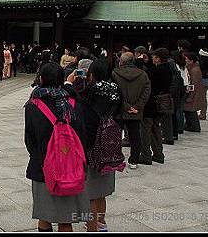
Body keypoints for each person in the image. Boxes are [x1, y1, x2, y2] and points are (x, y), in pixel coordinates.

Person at [24, 63, 89, 232]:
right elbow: (82, 135)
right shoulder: (74, 103)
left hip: (43, 166)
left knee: (44, 216)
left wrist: (41, 155)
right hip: (70, 168)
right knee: (65, 220)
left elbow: (29, 139)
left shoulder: (33, 105)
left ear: (42, 79)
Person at [66, 59, 122, 232]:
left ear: (92, 72)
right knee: (102, 189)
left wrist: (69, 82)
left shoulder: (91, 89)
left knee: (90, 193)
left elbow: (79, 107)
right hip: (110, 142)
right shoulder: (115, 88)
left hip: (92, 144)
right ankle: (101, 223)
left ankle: (92, 228)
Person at [111, 52, 151, 169]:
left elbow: (114, 92)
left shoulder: (115, 73)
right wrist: (137, 106)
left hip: (119, 109)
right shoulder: (143, 74)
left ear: (121, 61)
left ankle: (116, 158)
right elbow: (146, 91)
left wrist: (126, 106)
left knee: (116, 135)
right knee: (135, 135)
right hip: (135, 111)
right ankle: (134, 160)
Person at [139, 48, 170, 163]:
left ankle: (146, 155)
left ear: (158, 58)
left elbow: (147, 75)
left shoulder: (157, 71)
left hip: (151, 103)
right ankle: (158, 154)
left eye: (154, 57)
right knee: (156, 128)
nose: (152, 58)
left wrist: (142, 62)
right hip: (161, 103)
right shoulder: (168, 68)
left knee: (145, 130)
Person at [183, 51, 202, 132]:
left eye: (186, 59)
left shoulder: (195, 70)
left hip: (193, 94)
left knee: (191, 110)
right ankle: (190, 125)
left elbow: (193, 85)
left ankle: (194, 126)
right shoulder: (192, 68)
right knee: (189, 110)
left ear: (191, 60)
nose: (185, 60)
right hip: (194, 94)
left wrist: (190, 96)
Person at [172, 51, 189, 136]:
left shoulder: (176, 66)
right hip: (185, 86)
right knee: (180, 108)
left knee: (177, 109)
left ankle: (178, 127)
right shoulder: (184, 65)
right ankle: (181, 127)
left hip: (179, 87)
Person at [198, 48, 208, 120]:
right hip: (206, 80)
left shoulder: (202, 62)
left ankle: (203, 114)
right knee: (204, 97)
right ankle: (202, 113)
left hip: (203, 80)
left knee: (203, 98)